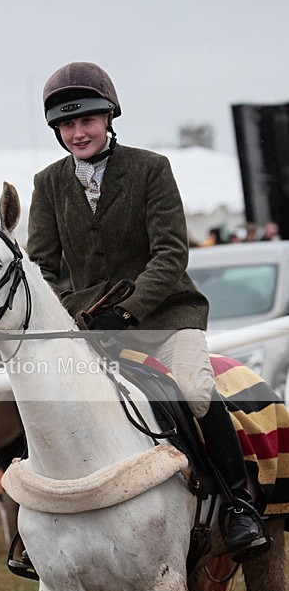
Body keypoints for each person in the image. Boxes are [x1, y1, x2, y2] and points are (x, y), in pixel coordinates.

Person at [26, 61, 268, 562]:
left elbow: (170, 254)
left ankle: (238, 505)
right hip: (90, 327)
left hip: (164, 315)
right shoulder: (47, 184)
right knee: (58, 403)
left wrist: (131, 311)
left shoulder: (150, 167)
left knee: (197, 394)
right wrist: (75, 315)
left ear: (109, 117)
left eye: (86, 121)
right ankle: (52, 524)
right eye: (67, 125)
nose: (77, 133)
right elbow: (44, 267)